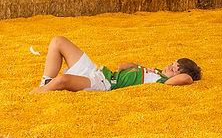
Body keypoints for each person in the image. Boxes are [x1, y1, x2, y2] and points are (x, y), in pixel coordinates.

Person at [31, 35, 201, 93]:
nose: (170, 67)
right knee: (58, 41)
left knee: (62, 80)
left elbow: (186, 79)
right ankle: (45, 83)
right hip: (99, 72)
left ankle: (36, 94)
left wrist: (187, 73)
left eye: (175, 69)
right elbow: (121, 67)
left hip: (103, 84)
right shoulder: (155, 72)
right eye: (173, 63)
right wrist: (137, 66)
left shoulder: (163, 83)